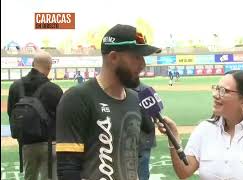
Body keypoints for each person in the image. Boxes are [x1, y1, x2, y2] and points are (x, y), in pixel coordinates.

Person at [56, 24, 161, 180]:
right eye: (136, 57)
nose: (143, 64)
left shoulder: (135, 99)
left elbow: (132, 160)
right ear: (113, 57)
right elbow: (67, 169)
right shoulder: (77, 98)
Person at [7, 51, 63, 180]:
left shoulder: (15, 87)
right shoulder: (54, 89)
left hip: (26, 143)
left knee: (29, 177)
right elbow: (62, 118)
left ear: (32, 64)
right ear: (49, 68)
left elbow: (11, 114)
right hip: (50, 144)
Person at [132, 82, 157, 180]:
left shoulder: (146, 91)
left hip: (143, 140)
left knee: (142, 174)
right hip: (127, 141)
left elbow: (155, 117)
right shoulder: (119, 90)